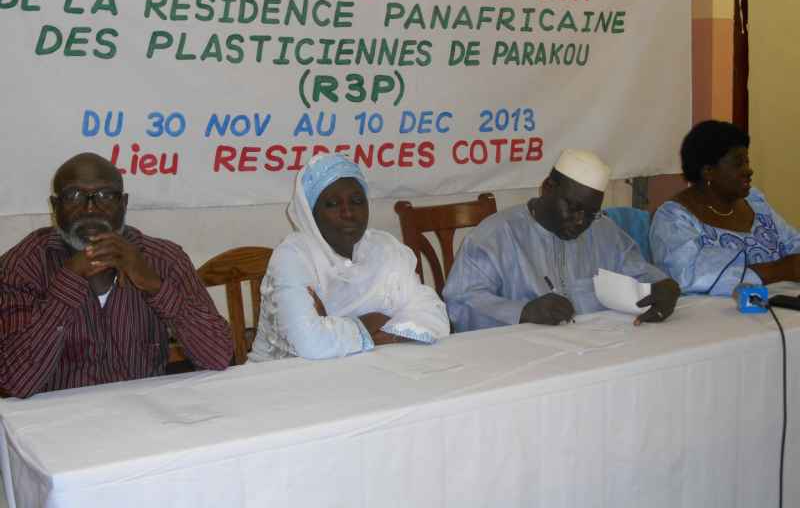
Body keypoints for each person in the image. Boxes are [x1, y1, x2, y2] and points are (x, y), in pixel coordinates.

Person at [0, 153, 233, 398]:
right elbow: (17, 382)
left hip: (147, 411)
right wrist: (68, 280)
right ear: (55, 206)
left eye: (105, 195)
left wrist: (153, 284)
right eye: (74, 196)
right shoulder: (22, 266)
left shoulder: (164, 259)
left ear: (124, 203)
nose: (90, 209)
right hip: (61, 417)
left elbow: (218, 356)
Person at [443, 149, 679, 331]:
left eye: (590, 213)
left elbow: (640, 272)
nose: (580, 221)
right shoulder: (495, 236)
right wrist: (522, 312)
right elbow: (460, 302)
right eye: (573, 208)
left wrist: (663, 286)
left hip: (599, 349)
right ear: (547, 188)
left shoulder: (604, 230)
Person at [248, 154, 449, 362]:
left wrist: (367, 335)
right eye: (332, 204)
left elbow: (435, 316)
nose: (348, 213)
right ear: (311, 213)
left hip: (367, 369)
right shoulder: (293, 256)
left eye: (357, 201)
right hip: (283, 377)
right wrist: (373, 321)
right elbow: (310, 343)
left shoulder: (385, 249)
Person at [650, 120, 800, 295]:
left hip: (782, 303)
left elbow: (793, 243)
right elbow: (688, 277)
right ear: (708, 171)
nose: (749, 170)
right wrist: (779, 270)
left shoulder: (755, 202)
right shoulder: (673, 219)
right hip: (715, 311)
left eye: (747, 162)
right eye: (738, 164)